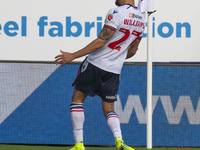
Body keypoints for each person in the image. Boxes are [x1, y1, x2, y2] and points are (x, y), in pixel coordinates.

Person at [55, 0, 145, 149]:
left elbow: (100, 42)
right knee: (109, 108)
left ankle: (79, 144)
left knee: (77, 99)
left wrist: (73, 55)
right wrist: (117, 58)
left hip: (95, 64)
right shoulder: (142, 20)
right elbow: (133, 50)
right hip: (114, 70)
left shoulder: (116, 12)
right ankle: (119, 140)